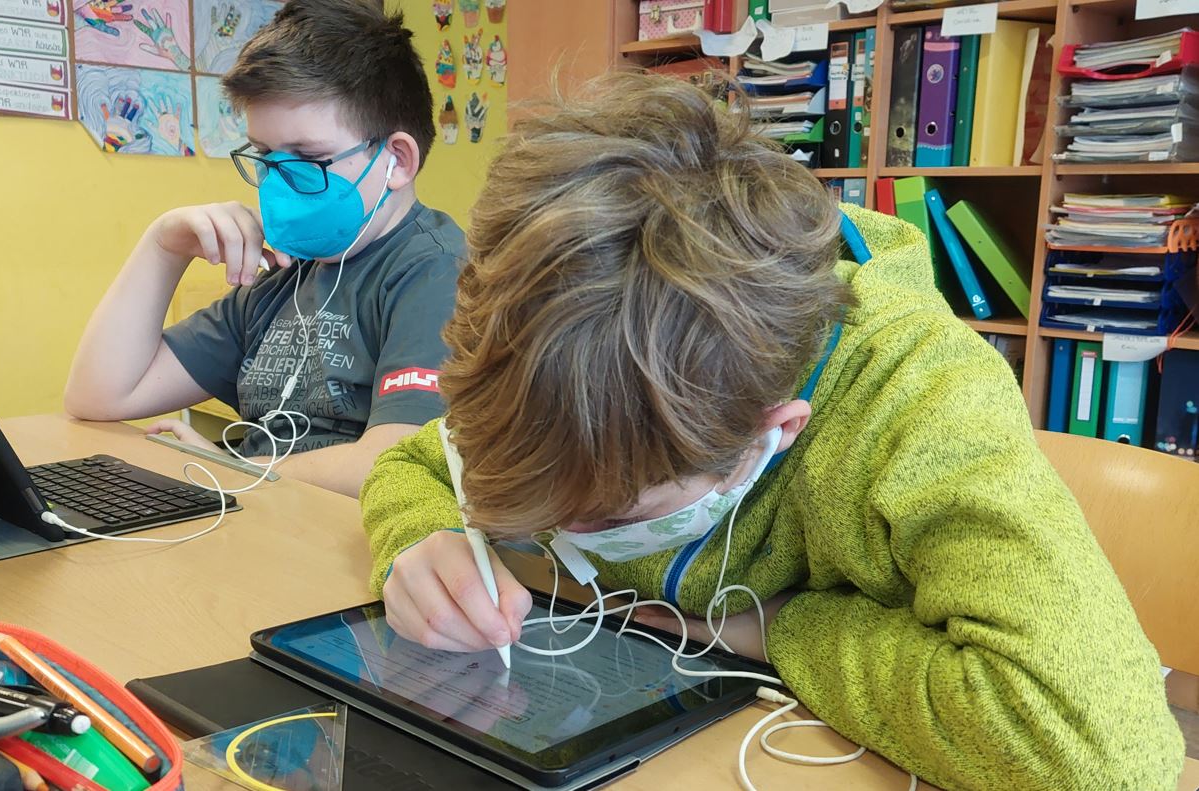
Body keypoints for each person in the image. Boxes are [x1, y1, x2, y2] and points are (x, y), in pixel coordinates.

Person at [358, 73, 1184, 791]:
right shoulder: (561, 363)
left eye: (609, 514)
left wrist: (775, 625)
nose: (563, 533)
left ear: (771, 435)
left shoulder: (916, 393)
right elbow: (421, 464)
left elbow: (1100, 755)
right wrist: (420, 537)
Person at [65, 0, 464, 499]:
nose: (276, 181)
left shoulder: (437, 273)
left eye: (309, 158)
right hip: (265, 520)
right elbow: (98, 396)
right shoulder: (284, 276)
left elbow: (395, 466)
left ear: (397, 161)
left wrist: (232, 471)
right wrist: (163, 246)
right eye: (264, 154)